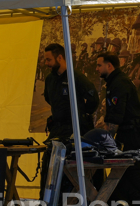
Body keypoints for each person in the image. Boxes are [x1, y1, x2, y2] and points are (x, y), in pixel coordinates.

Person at [95, 52, 140, 206]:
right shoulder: (115, 82)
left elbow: (115, 118)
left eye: (99, 65)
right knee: (125, 174)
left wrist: (106, 143)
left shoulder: (119, 83)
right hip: (130, 134)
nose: (97, 69)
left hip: (133, 135)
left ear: (109, 66)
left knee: (132, 173)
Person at [40, 43, 99, 196]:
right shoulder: (50, 79)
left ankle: (75, 203)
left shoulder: (76, 77)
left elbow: (93, 99)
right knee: (48, 166)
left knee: (73, 169)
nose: (46, 63)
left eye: (49, 60)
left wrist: (81, 114)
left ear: (60, 58)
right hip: (57, 129)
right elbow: (49, 98)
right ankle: (46, 202)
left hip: (76, 129)